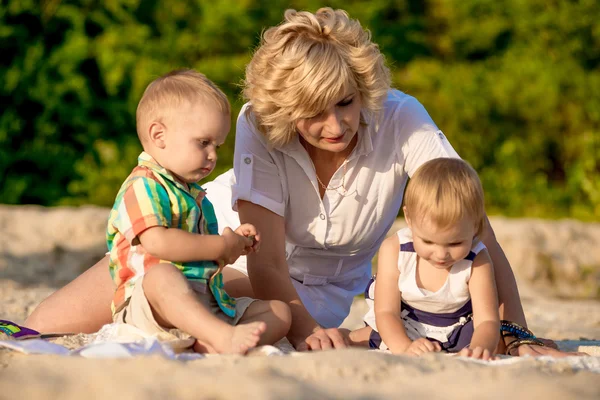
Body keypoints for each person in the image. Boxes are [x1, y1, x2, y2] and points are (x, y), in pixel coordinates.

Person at [26, 8, 571, 357]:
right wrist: (305, 333)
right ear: (285, 109)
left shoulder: (403, 118)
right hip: (228, 247)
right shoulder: (256, 124)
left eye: (346, 103)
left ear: (363, 87)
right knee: (43, 325)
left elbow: (477, 230)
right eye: (313, 112)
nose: (336, 126)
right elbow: (263, 263)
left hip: (320, 288)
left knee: (207, 312)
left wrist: (514, 332)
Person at [102, 69, 291, 354]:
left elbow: (204, 255)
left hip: (204, 300)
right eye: (203, 143)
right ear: (159, 135)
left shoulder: (194, 195)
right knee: (161, 277)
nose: (213, 155)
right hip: (152, 307)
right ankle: (219, 337)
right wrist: (219, 245)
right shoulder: (144, 185)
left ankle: (208, 342)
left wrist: (235, 244)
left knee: (279, 313)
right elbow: (158, 243)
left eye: (217, 145)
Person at [363, 158, 500, 359]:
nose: (441, 254)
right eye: (428, 242)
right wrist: (404, 347)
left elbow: (487, 320)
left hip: (457, 328)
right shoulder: (395, 250)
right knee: (375, 335)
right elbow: (386, 312)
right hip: (403, 323)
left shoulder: (477, 259)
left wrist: (478, 349)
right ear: (409, 219)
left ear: (476, 226)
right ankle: (348, 337)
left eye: (455, 244)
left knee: (494, 342)